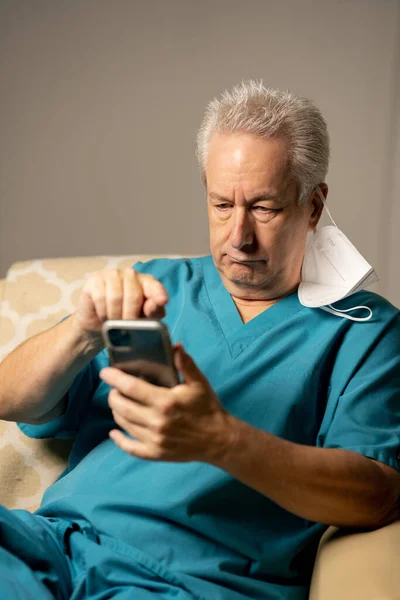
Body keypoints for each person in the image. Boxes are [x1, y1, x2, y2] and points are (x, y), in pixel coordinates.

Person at [0, 80, 399, 600]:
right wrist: (81, 332)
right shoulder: (158, 284)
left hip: (185, 584)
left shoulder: (366, 332)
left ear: (314, 204)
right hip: (52, 546)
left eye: (264, 208)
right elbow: (10, 397)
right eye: (221, 205)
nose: (238, 236)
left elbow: (377, 495)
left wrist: (223, 440)